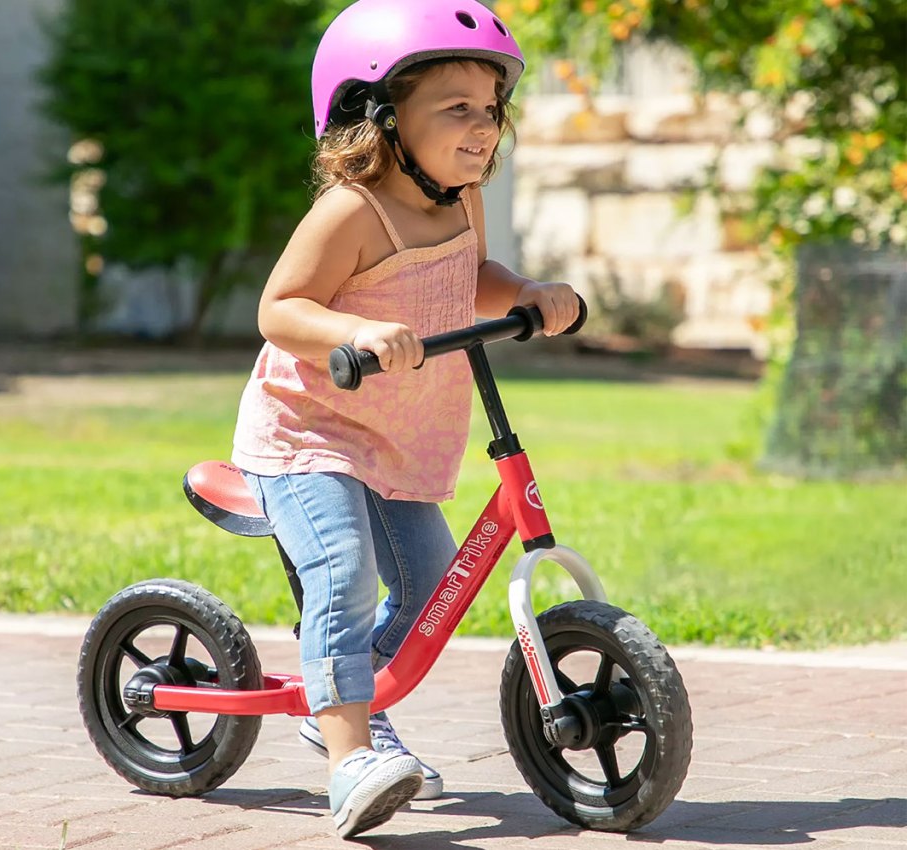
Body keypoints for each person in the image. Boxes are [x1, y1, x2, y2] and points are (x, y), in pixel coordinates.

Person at [232, 0, 579, 839]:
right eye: (455, 107)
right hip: (308, 436)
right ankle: (349, 756)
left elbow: (472, 276)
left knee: (430, 592)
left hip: (394, 442)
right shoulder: (352, 212)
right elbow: (281, 309)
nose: (482, 127)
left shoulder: (460, 201)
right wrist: (354, 330)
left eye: (491, 109)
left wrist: (525, 295)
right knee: (344, 576)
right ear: (379, 118)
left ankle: (337, 697)